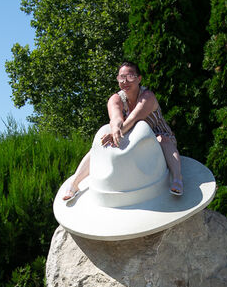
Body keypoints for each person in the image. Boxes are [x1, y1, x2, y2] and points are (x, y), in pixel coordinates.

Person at [63, 61, 184, 200]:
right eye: (121, 77)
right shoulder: (115, 99)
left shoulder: (148, 97)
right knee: (98, 147)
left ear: (139, 79)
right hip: (130, 140)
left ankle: (177, 177)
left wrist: (117, 132)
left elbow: (134, 118)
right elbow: (116, 118)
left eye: (130, 76)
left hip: (158, 138)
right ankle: (74, 183)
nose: (125, 81)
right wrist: (115, 129)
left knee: (163, 139)